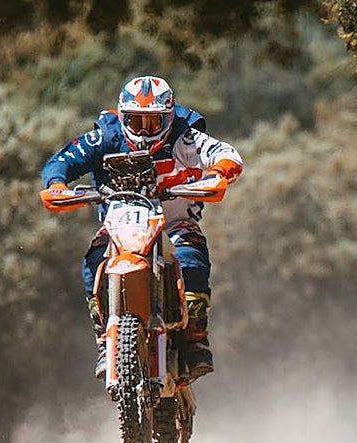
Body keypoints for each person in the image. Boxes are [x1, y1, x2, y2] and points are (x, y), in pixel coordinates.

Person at [40, 75, 243, 380]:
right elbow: (62, 160)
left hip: (175, 219)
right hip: (121, 222)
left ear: (169, 119)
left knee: (192, 258)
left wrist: (218, 173)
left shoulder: (184, 137)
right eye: (136, 122)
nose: (145, 131)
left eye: (153, 122)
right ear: (123, 117)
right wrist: (57, 183)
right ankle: (104, 337)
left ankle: (195, 337)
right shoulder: (106, 137)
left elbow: (225, 154)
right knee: (94, 259)